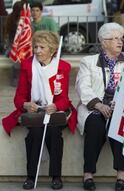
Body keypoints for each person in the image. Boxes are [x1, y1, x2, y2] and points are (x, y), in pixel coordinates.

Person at [2, 31, 77, 190]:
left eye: (42, 47)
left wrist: (56, 106)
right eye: (35, 46)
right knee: (35, 133)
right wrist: (26, 105)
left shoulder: (62, 67)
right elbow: (19, 98)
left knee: (54, 132)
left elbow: (64, 98)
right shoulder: (27, 65)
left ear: (52, 49)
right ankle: (30, 176)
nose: (37, 50)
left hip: (55, 113)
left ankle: (56, 176)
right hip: (34, 113)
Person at [75, 22, 124, 191]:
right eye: (114, 39)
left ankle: (121, 174)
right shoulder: (88, 61)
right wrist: (98, 105)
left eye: (121, 38)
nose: (120, 42)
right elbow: (82, 87)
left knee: (119, 126)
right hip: (95, 107)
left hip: (121, 107)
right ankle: (88, 174)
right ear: (103, 42)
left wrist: (121, 104)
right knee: (95, 127)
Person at [3, 1, 23, 86]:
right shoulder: (11, 19)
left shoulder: (25, 19)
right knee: (18, 57)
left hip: (22, 46)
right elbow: (8, 38)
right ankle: (15, 78)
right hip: (12, 47)